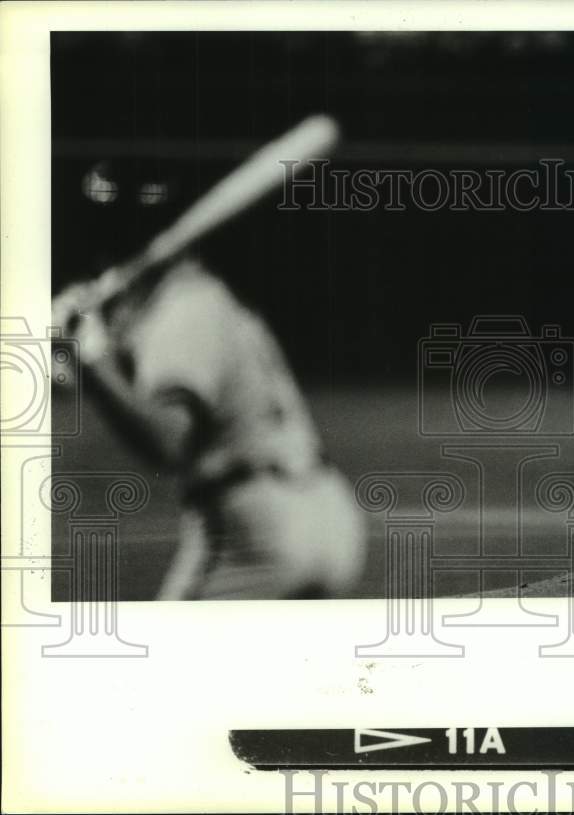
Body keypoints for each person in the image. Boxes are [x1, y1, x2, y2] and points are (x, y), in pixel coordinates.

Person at [52, 257, 366, 600]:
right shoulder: (205, 298)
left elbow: (167, 439)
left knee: (160, 650)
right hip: (325, 510)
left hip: (257, 534)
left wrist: (90, 356)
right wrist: (80, 354)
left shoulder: (184, 310)